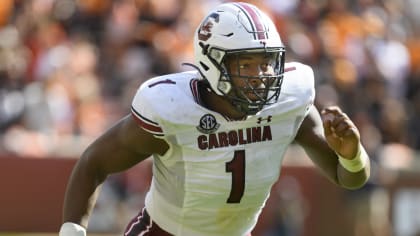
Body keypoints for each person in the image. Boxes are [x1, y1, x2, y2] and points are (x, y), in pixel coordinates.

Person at [59, 2, 370, 236]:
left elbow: (350, 178)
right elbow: (94, 162)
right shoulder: (172, 108)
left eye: (267, 63)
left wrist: (352, 155)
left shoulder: (289, 101)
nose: (262, 76)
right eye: (247, 64)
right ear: (212, 62)